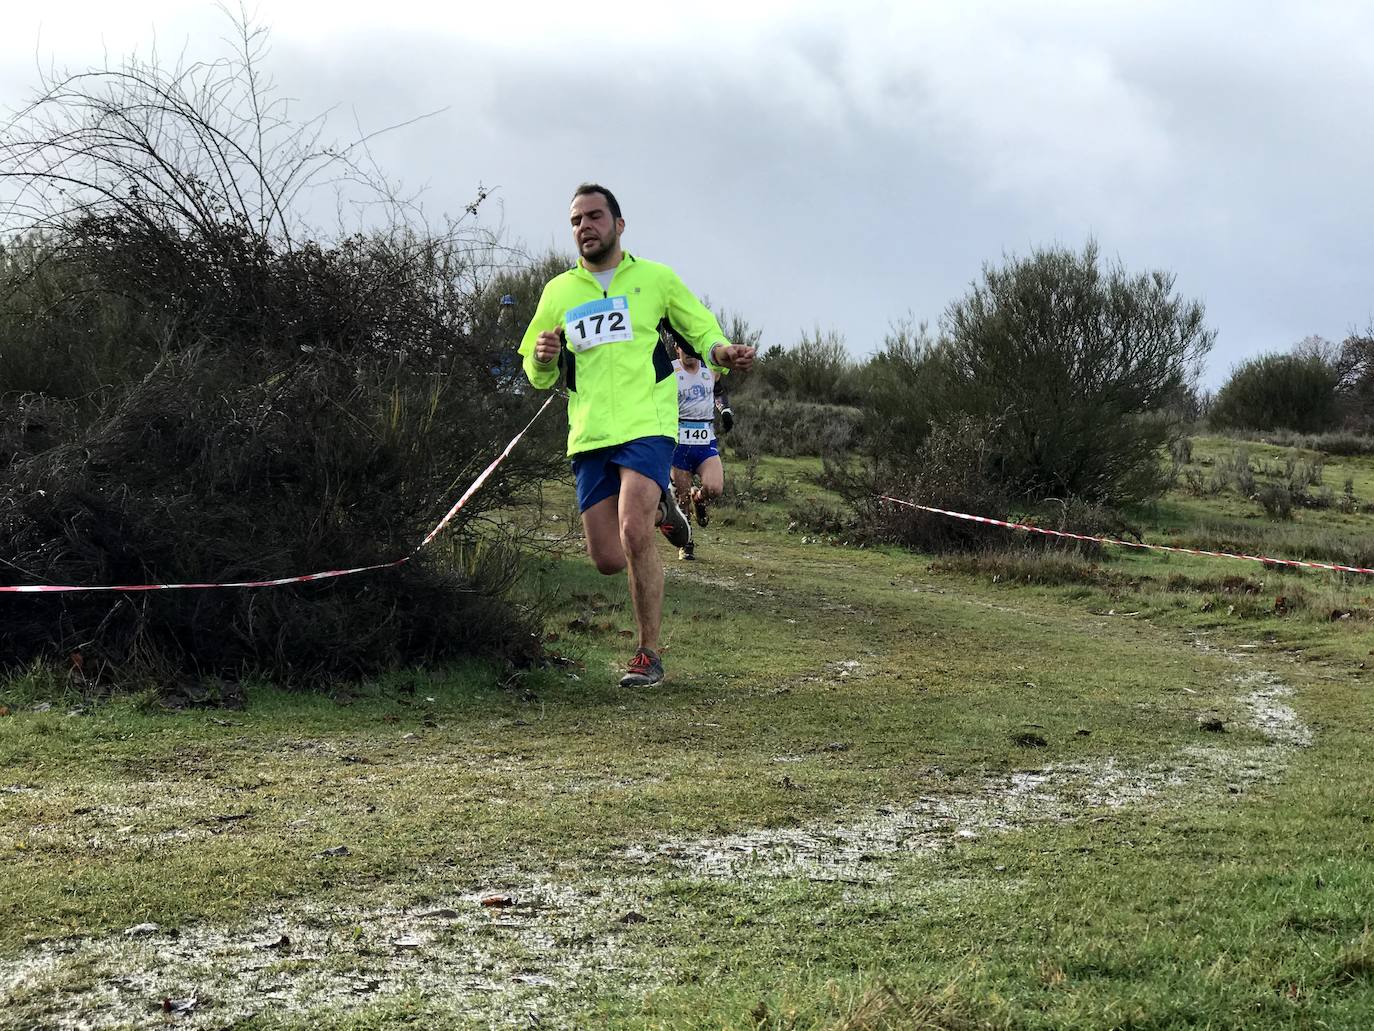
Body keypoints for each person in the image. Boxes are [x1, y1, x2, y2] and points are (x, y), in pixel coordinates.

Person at [519, 184, 755, 687]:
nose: (585, 226)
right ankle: (663, 504)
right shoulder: (558, 293)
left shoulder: (655, 279)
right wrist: (541, 358)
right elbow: (536, 368)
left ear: (619, 225)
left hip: (647, 425)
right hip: (589, 436)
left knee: (633, 531)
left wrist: (720, 353)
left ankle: (648, 654)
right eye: (577, 220)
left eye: (595, 216)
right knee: (607, 558)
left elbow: (701, 329)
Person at [668, 341, 731, 560]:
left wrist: (725, 410)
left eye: (693, 349)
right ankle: (686, 543)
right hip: (679, 443)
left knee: (715, 488)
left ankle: (700, 498)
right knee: (681, 498)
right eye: (684, 348)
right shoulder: (670, 371)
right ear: (677, 348)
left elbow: (719, 392)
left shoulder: (710, 370)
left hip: (705, 441)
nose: (690, 353)